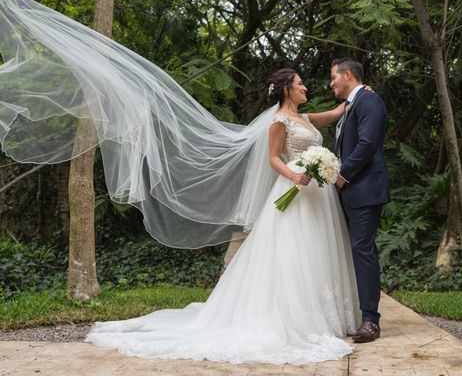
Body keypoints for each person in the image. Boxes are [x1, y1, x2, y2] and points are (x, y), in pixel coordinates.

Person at [85, 68, 361, 363]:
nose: (305, 87)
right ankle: (294, 315)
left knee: (316, 250)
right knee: (292, 253)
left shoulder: (305, 119)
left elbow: (334, 114)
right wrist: (295, 176)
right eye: (300, 84)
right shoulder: (278, 121)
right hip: (295, 188)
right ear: (286, 90)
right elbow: (273, 158)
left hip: (318, 195)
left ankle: (323, 313)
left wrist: (357, 95)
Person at [330, 58, 390, 343]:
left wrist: (343, 174)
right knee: (353, 251)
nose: (332, 84)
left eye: (334, 78)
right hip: (351, 190)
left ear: (348, 74)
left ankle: (370, 321)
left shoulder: (369, 101)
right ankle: (355, 313)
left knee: (362, 250)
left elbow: (367, 144)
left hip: (364, 189)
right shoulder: (351, 105)